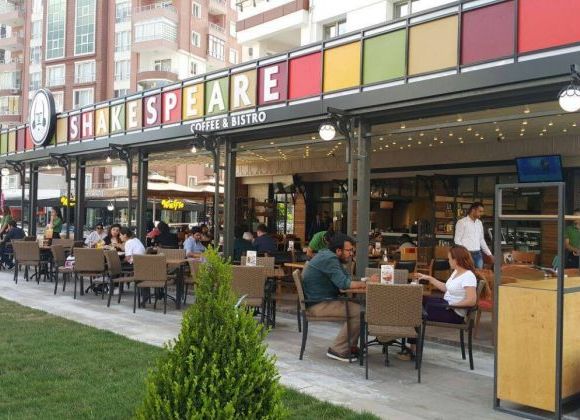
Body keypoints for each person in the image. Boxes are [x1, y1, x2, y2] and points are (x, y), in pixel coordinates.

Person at [302, 234, 376, 362]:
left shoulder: (329, 256)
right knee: (360, 312)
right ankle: (338, 349)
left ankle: (350, 346)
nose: (351, 253)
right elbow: (344, 284)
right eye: (349, 250)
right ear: (338, 250)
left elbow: (345, 278)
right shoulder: (330, 259)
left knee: (359, 308)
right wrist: (367, 283)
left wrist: (365, 280)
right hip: (317, 305)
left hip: (320, 300)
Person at [407, 245, 478, 357]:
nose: (448, 261)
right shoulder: (456, 272)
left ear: (456, 260)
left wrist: (452, 305)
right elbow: (446, 288)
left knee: (414, 312)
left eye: (449, 259)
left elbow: (472, 300)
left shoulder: (468, 276)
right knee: (415, 300)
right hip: (446, 305)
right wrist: (429, 278)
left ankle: (413, 350)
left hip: (453, 313)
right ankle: (411, 346)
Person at [454, 202, 493, 269]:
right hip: (466, 255)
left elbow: (481, 240)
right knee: (466, 274)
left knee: (479, 274)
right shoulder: (462, 222)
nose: (481, 213)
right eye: (480, 211)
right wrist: (465, 253)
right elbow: (457, 240)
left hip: (478, 254)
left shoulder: (479, 223)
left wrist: (489, 254)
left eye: (482, 211)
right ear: (473, 210)